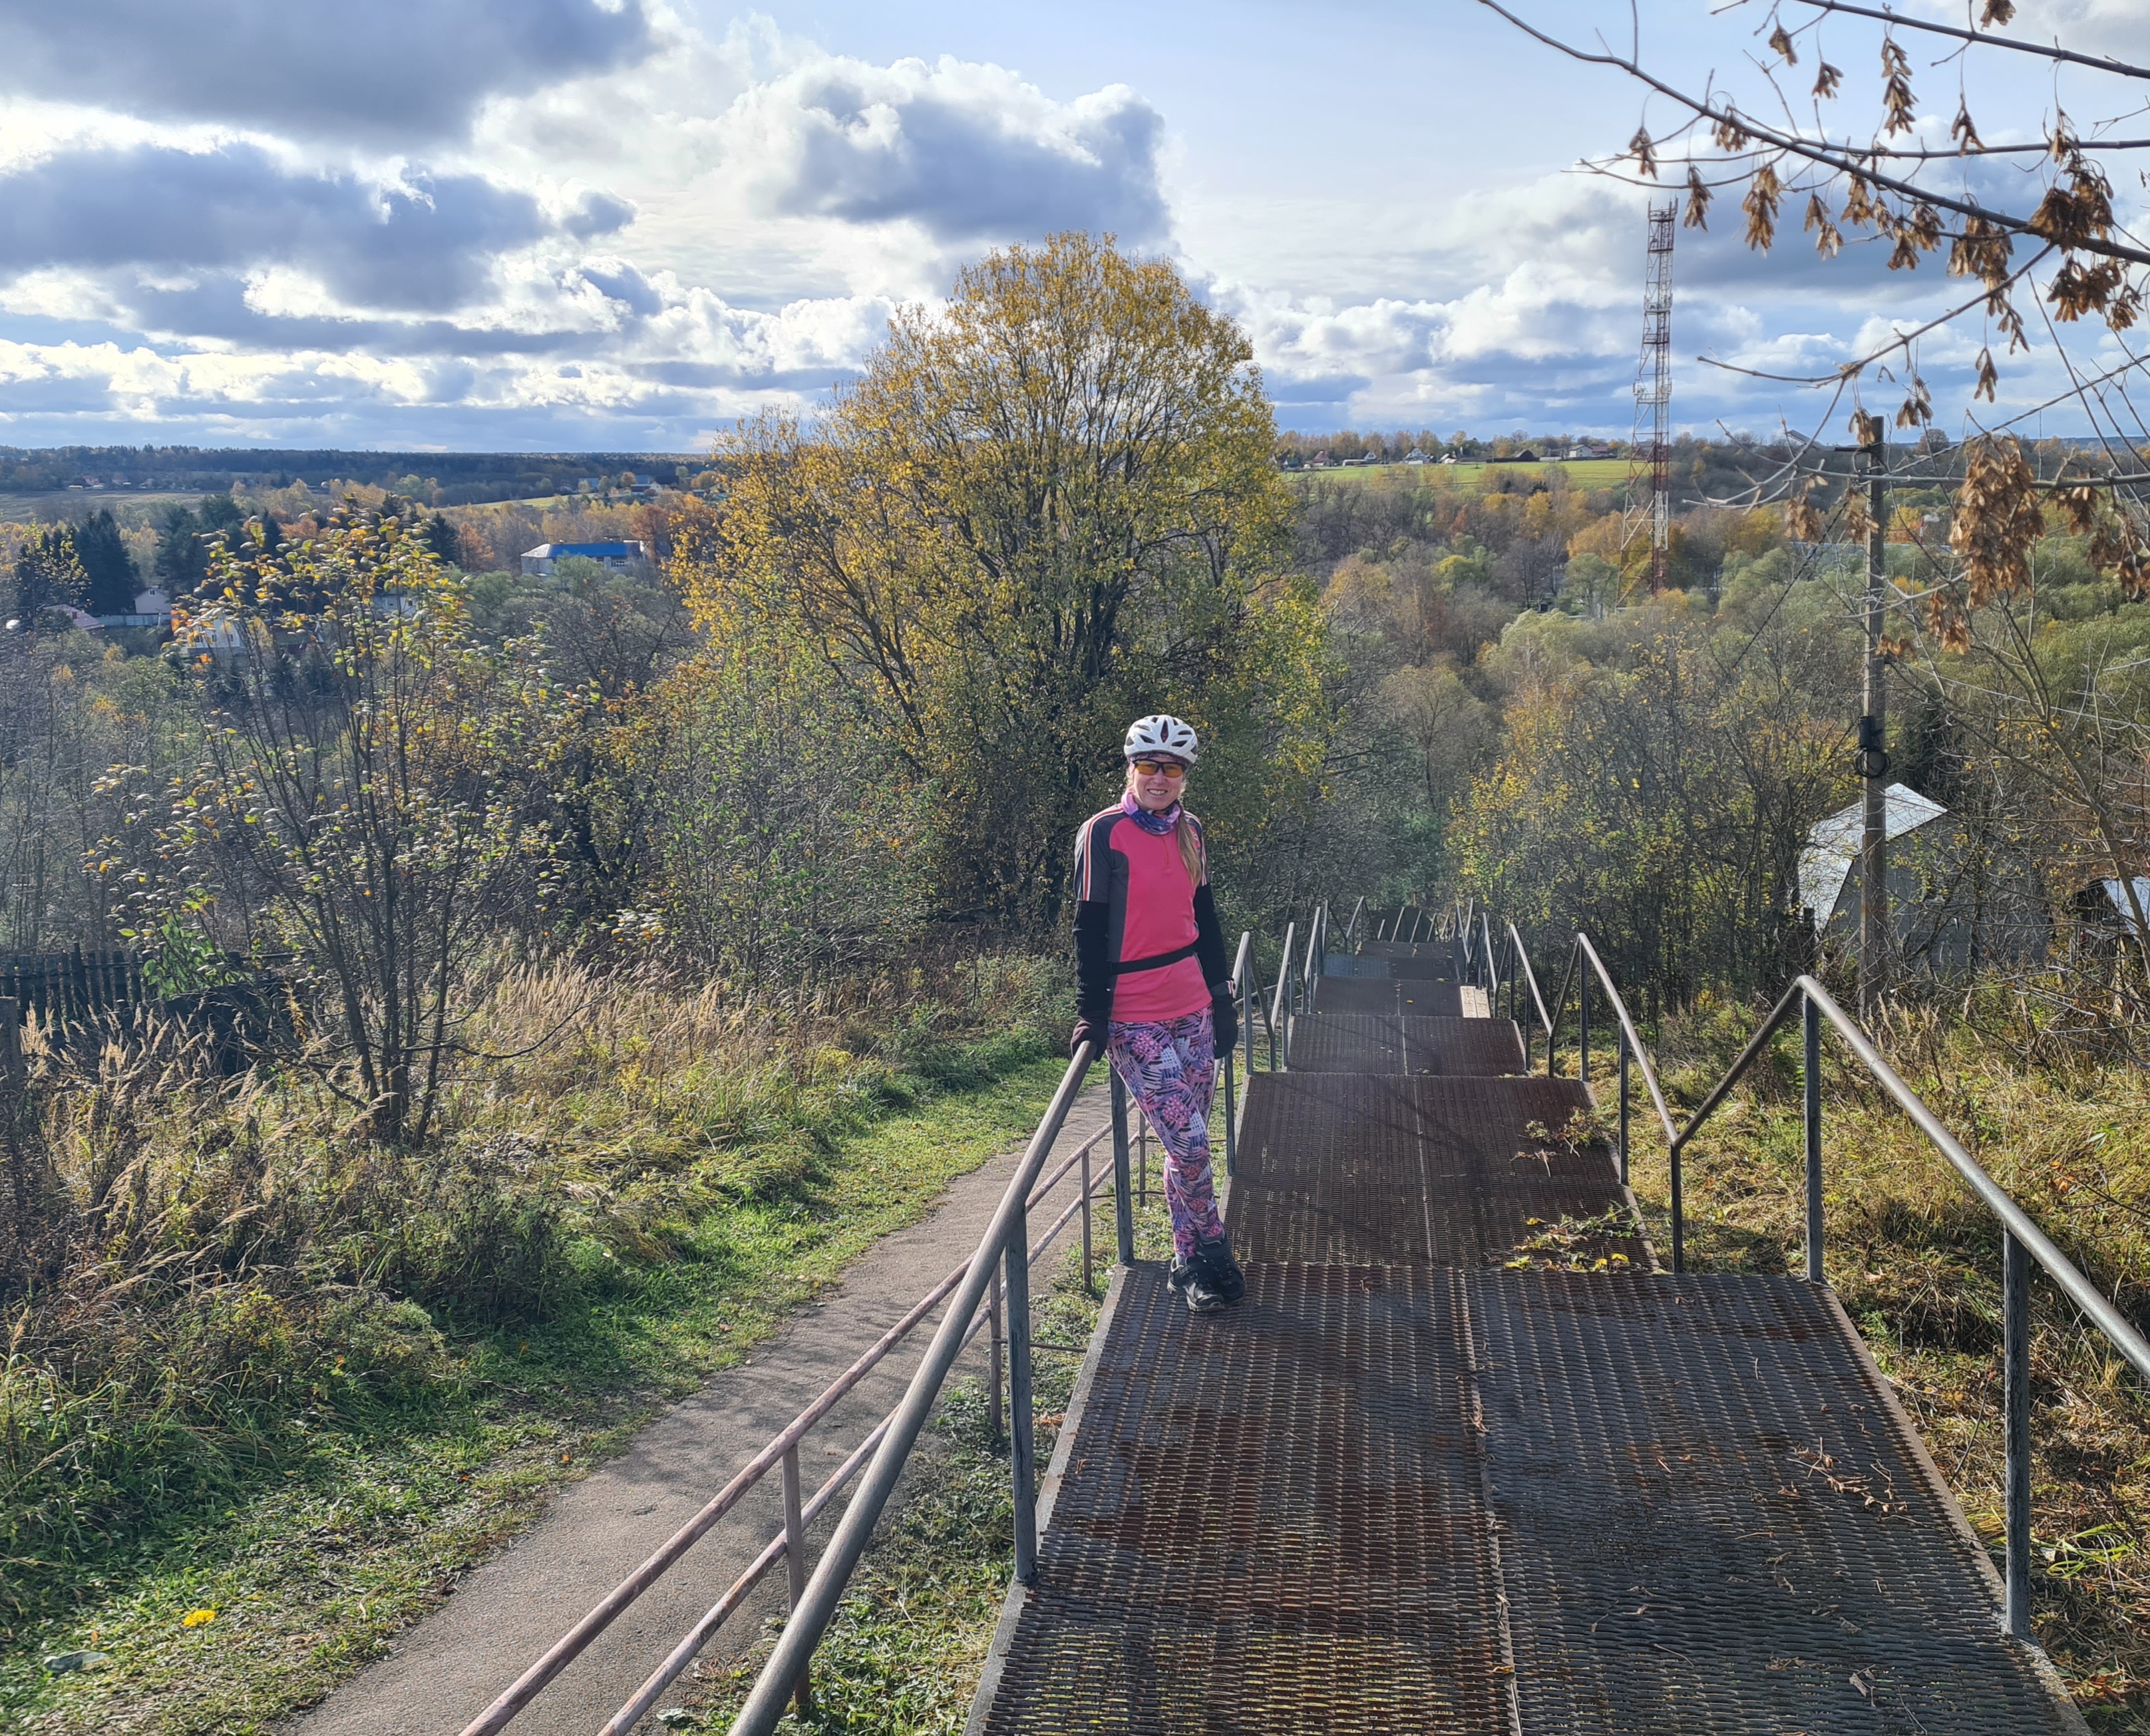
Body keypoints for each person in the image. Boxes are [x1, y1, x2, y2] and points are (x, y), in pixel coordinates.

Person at [1070, 714, 1245, 1313]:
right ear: (1131, 768)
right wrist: (1091, 1013)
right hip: (1133, 1013)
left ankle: (1186, 1263)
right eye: (1149, 765)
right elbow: (1088, 928)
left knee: (1184, 1146)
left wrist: (1221, 999)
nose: (1159, 777)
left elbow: (1206, 917)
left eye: (1172, 768)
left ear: (1184, 775)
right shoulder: (1103, 832)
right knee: (1192, 1145)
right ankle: (1213, 1246)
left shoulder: (1191, 831)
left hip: (1193, 1004)